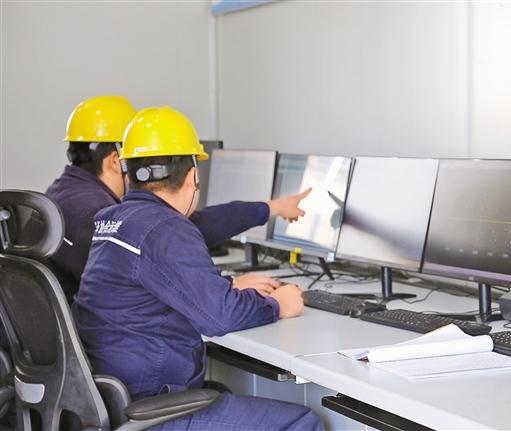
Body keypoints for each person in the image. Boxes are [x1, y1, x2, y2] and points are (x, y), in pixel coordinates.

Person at [71, 106, 322, 430]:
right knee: (302, 421)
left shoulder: (114, 219)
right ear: (193, 176)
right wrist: (278, 304)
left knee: (222, 392)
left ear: (128, 173)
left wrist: (226, 284)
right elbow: (221, 316)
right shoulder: (165, 228)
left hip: (111, 395)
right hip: (147, 404)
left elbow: (157, 280)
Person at [46, 95, 136, 301]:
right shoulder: (97, 215)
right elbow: (125, 291)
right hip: (83, 320)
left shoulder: (59, 192)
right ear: (116, 160)